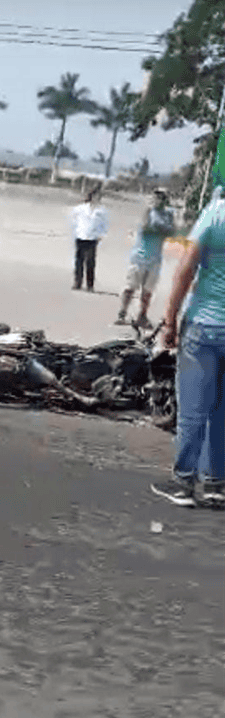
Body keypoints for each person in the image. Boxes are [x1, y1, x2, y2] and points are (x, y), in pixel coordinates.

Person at [150, 189, 225, 507]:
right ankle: (216, 484)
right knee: (222, 412)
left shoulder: (217, 213)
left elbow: (185, 271)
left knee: (194, 409)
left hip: (205, 326)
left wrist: (170, 321)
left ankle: (183, 483)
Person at [115, 188, 175, 328]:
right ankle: (122, 313)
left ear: (164, 200)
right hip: (139, 256)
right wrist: (161, 229)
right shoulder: (148, 212)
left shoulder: (168, 215)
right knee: (130, 287)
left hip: (155, 258)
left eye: (160, 198)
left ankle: (142, 315)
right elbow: (146, 228)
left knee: (147, 291)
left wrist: (161, 229)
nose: (156, 200)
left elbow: (171, 232)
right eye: (155, 197)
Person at [70, 188, 108, 291]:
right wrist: (76, 230)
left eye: (99, 197)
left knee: (90, 262)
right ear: (91, 196)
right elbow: (73, 218)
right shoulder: (81, 208)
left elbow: (104, 224)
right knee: (79, 261)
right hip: (81, 236)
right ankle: (77, 283)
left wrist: (101, 234)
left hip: (92, 238)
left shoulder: (101, 210)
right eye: (95, 196)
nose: (97, 198)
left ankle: (90, 285)